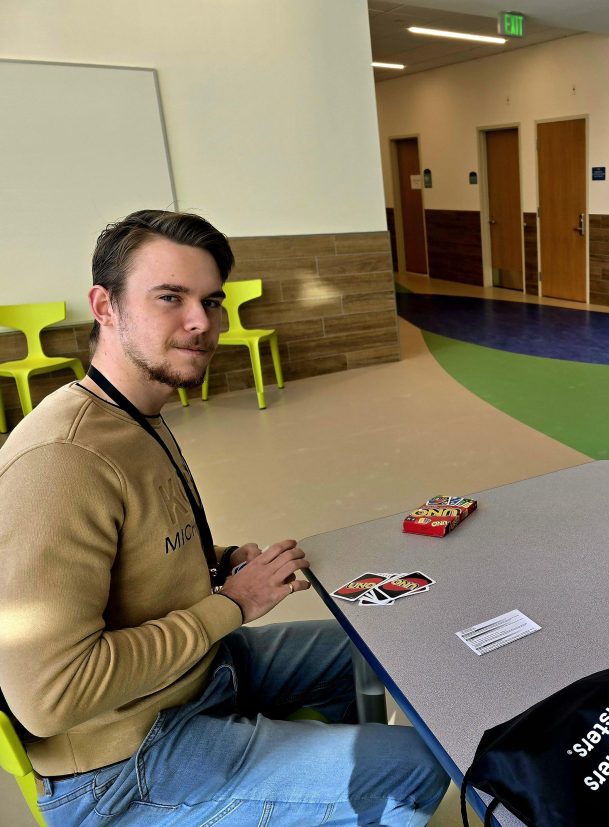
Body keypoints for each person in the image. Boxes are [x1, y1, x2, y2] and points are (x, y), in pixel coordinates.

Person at [0, 210, 448, 825]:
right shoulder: (63, 461)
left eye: (211, 301)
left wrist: (216, 562)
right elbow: (50, 699)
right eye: (169, 298)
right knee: (414, 765)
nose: (200, 323)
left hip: (197, 675)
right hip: (124, 765)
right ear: (105, 306)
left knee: (376, 651)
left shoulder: (133, 412)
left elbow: (128, 561)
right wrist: (232, 605)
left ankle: (326, 800)